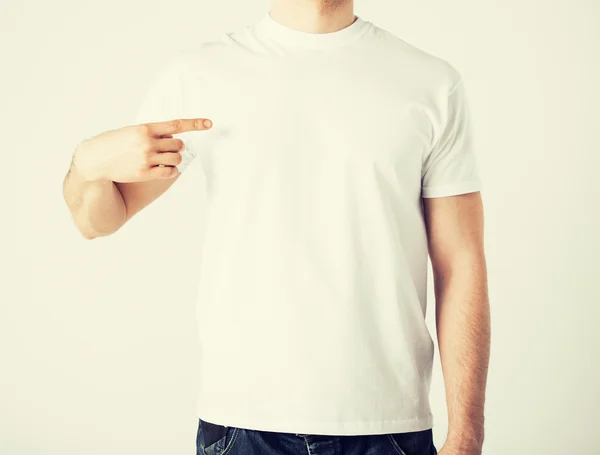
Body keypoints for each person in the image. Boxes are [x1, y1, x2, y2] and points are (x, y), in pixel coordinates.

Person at [63, 0, 490, 454]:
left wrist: (466, 434)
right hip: (242, 426)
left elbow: (461, 261)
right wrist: (86, 162)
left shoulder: (431, 83)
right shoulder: (202, 73)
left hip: (386, 427)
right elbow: (98, 221)